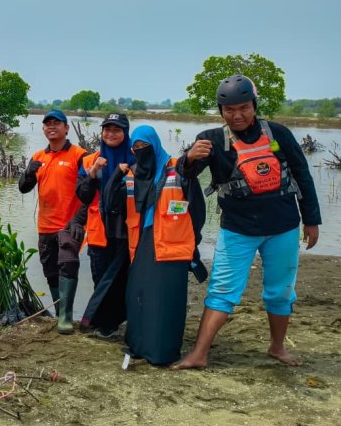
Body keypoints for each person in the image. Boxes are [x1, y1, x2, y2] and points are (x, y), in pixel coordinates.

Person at [173, 74, 321, 370]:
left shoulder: (278, 133)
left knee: (280, 290)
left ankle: (278, 347)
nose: (237, 115)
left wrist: (311, 220)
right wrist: (188, 158)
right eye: (229, 110)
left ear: (254, 106)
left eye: (244, 108)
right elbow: (186, 174)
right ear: (221, 111)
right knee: (223, 289)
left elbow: (302, 174)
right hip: (237, 229)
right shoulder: (211, 139)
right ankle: (199, 354)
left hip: (284, 226)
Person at [105, 125, 206, 366]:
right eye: (136, 148)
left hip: (172, 244)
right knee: (139, 296)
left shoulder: (176, 168)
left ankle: (162, 352)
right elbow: (109, 202)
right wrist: (117, 175)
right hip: (141, 242)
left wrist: (194, 241)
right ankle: (138, 346)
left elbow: (198, 208)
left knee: (165, 300)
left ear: (155, 144)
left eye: (145, 147)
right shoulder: (133, 173)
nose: (141, 151)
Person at [18, 109, 88, 334]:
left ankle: (66, 317)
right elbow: (23, 188)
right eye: (47, 124)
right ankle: (59, 311)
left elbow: (91, 191)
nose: (52, 127)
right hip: (45, 224)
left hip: (70, 225)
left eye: (57, 123)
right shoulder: (39, 157)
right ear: (43, 129)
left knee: (67, 265)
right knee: (50, 270)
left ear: (66, 128)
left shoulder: (80, 155)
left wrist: (79, 220)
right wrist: (28, 173)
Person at [72, 113, 135, 338]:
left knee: (123, 279)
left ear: (125, 133)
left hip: (127, 230)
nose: (111, 134)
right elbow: (83, 196)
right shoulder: (90, 160)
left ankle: (116, 321)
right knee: (101, 277)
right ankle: (103, 323)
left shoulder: (136, 159)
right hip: (99, 231)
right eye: (107, 129)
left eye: (116, 130)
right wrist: (93, 173)